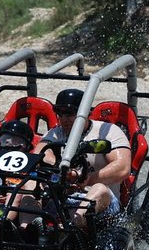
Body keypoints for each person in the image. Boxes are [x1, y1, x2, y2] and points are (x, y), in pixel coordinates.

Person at [32, 88, 132, 227]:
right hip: (60, 199)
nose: (63, 119)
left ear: (84, 113)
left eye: (69, 113)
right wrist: (63, 169)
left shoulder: (107, 131)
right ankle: (25, 228)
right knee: (29, 183)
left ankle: (70, 230)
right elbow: (38, 155)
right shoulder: (56, 133)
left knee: (99, 188)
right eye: (59, 113)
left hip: (100, 201)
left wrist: (86, 178)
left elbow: (123, 168)